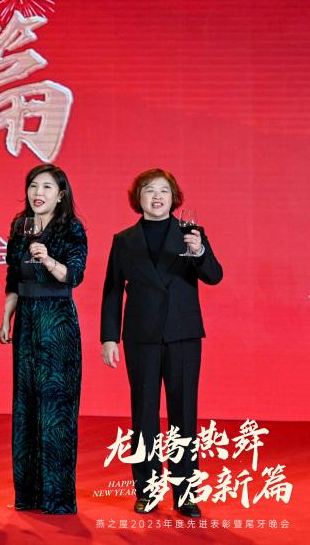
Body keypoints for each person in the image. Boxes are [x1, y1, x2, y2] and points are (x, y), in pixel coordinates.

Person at [100, 168, 223, 517]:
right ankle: (148, 490)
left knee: (184, 413)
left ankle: (186, 493)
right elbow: (112, 291)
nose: (157, 196)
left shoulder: (191, 234)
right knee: (144, 415)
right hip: (141, 336)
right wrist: (109, 337)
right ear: (137, 198)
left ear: (174, 197)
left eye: (164, 191)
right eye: (149, 190)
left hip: (183, 334)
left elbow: (214, 276)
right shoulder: (124, 240)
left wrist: (199, 252)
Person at [0, 163, 87, 514]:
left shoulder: (71, 228)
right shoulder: (20, 227)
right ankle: (28, 495)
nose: (38, 193)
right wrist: (6, 317)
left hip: (57, 322)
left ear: (61, 194)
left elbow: (73, 274)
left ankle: (57, 498)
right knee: (26, 406)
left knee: (56, 410)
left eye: (47, 187)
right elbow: (12, 279)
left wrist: (48, 260)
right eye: (34, 186)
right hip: (26, 322)